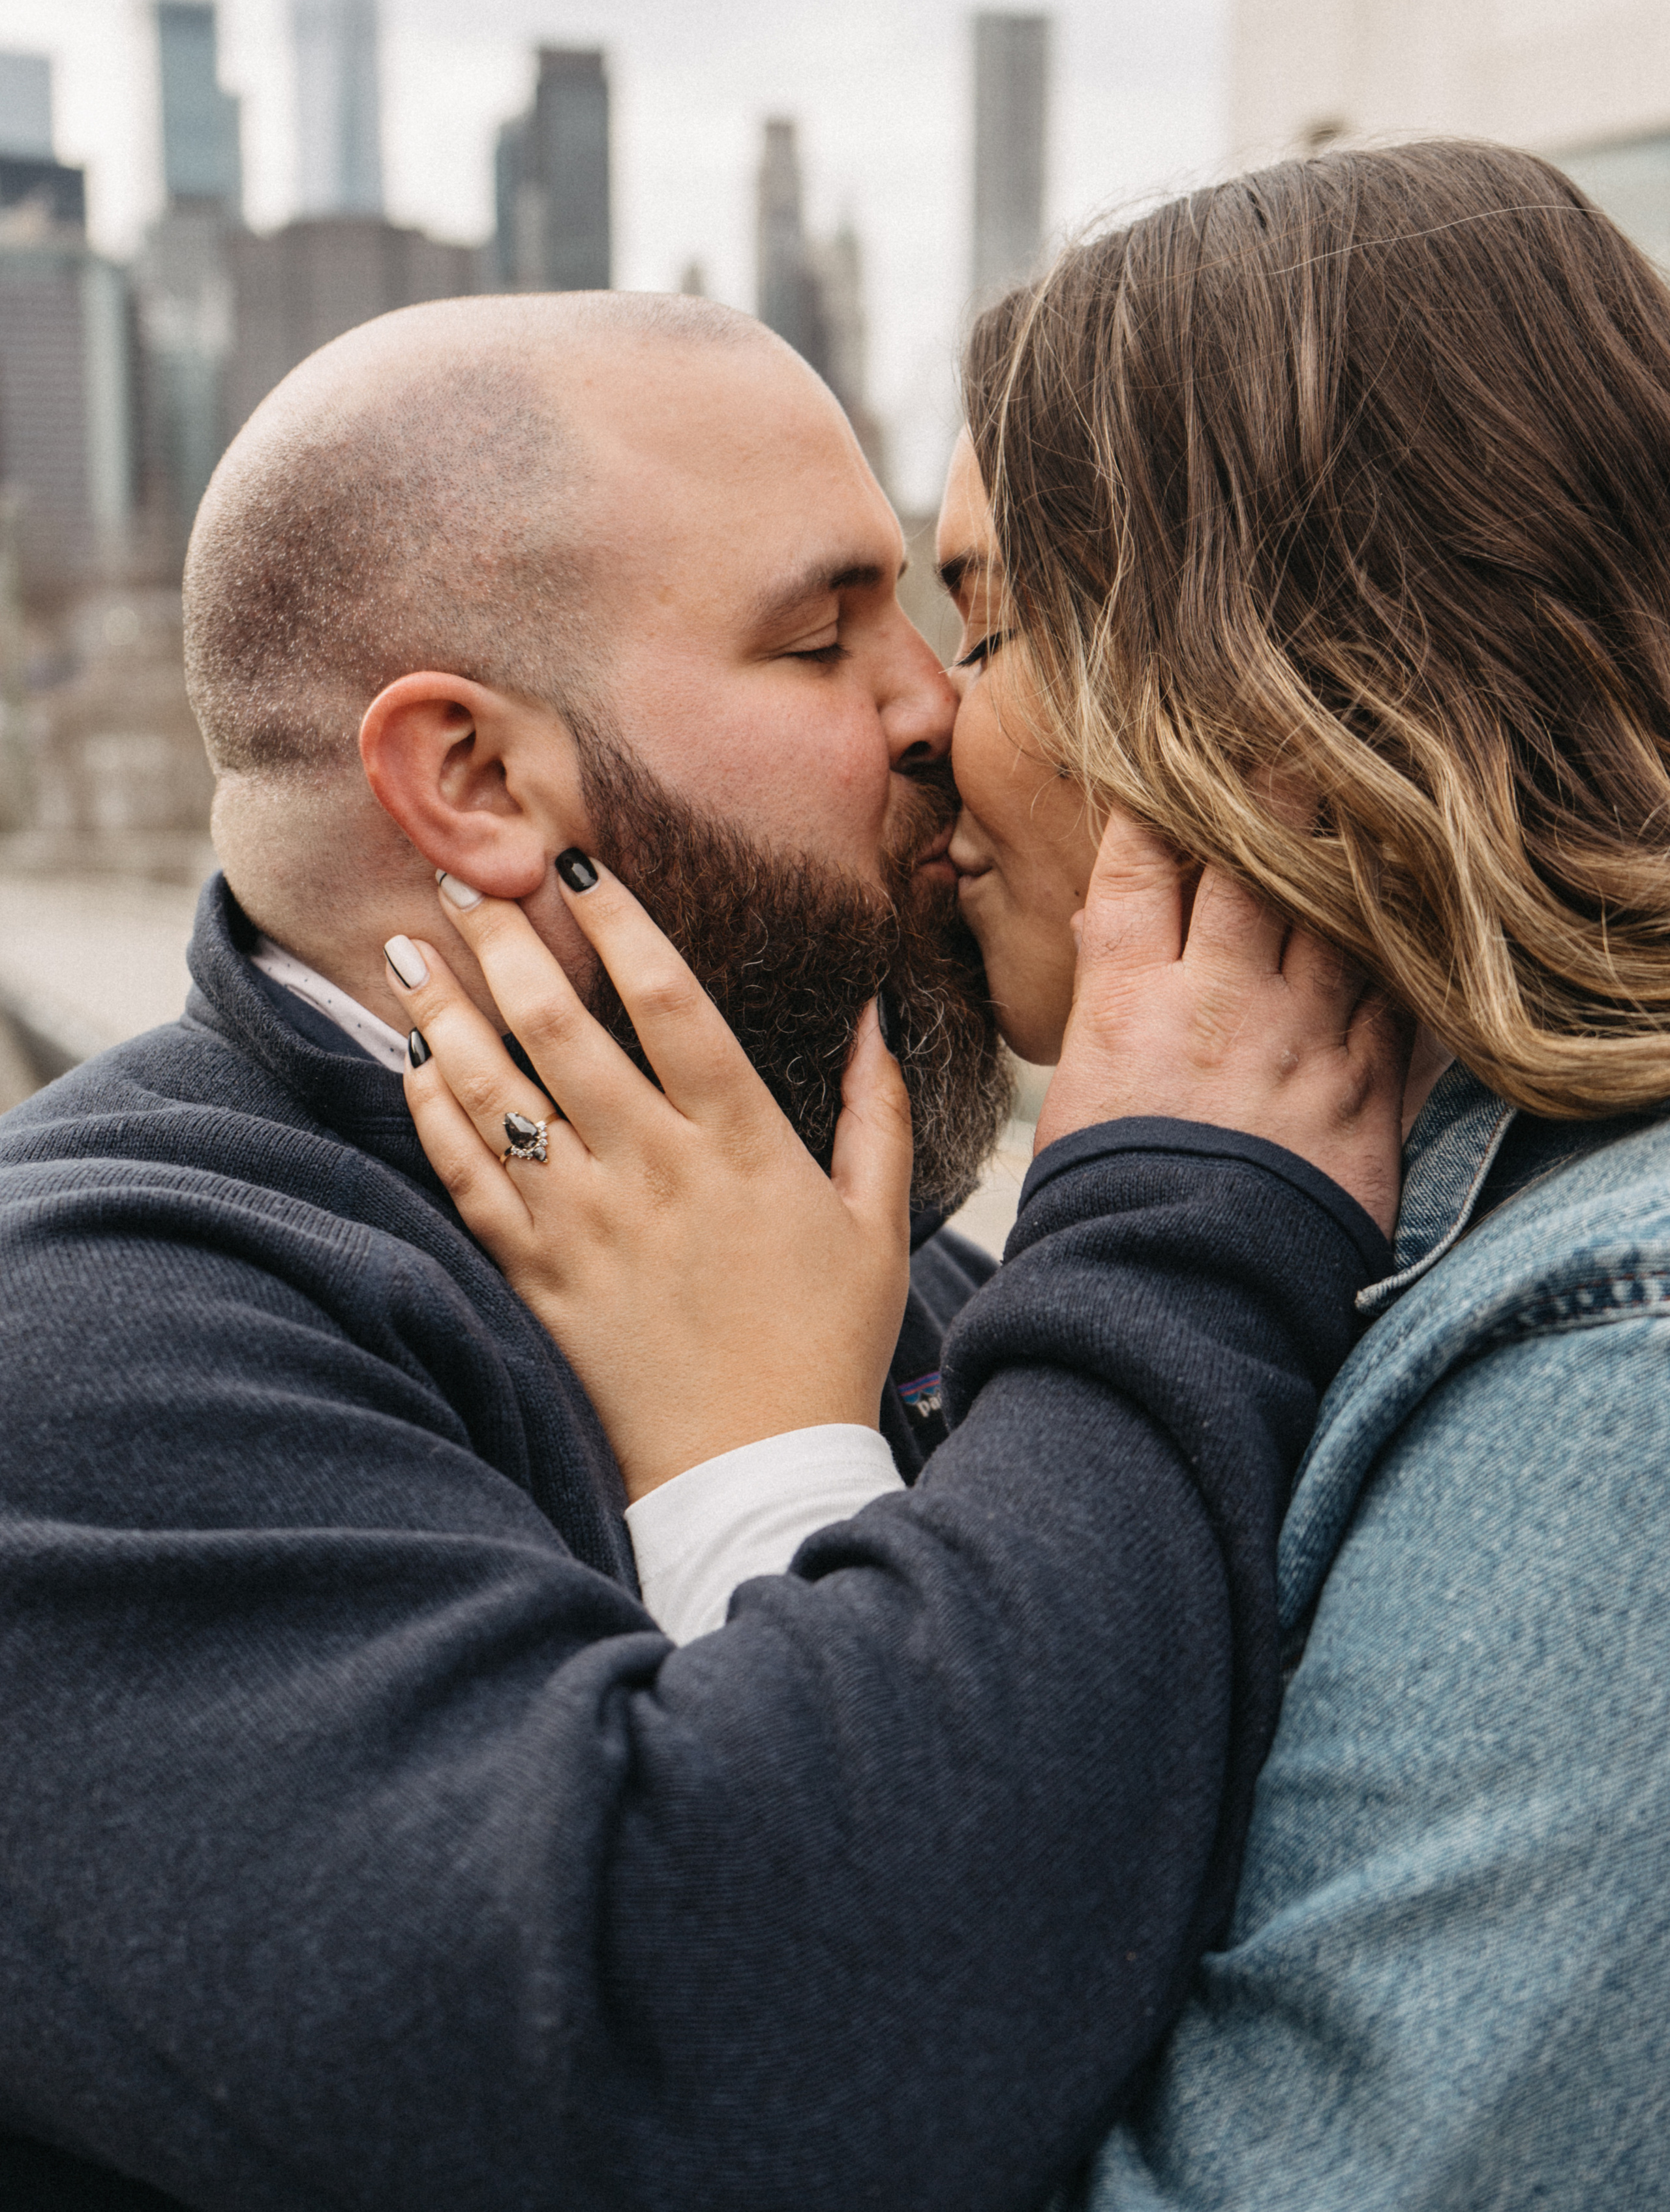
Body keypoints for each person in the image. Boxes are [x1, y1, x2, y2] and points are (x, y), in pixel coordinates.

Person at [0, 291, 1404, 2211]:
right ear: (474, 779)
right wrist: (1183, 1229)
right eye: (824, 637)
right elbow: (751, 2056)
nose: (937, 708)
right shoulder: (83, 1353)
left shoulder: (855, 1263)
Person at [411, 139, 1670, 2209]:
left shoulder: (1615, 1372)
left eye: (986, 623)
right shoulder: (1439, 1250)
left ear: (1282, 680)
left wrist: (769, 1484)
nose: (927, 719)